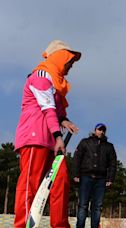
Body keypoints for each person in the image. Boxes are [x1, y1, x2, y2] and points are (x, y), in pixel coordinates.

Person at [13, 40, 81, 227]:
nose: (70, 67)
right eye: (69, 62)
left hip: (51, 140)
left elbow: (57, 112)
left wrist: (64, 121)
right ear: (59, 57)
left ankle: (60, 225)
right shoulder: (40, 76)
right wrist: (59, 136)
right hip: (36, 138)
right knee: (31, 185)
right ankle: (22, 225)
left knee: (61, 183)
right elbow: (47, 108)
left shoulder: (56, 83)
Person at [73, 123, 117, 228]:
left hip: (101, 179)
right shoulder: (85, 142)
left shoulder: (109, 146)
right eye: (99, 129)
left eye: (103, 130)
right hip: (85, 177)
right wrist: (76, 174)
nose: (101, 132)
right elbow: (77, 158)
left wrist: (110, 178)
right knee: (83, 205)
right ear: (95, 130)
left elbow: (113, 163)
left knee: (97, 206)